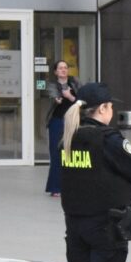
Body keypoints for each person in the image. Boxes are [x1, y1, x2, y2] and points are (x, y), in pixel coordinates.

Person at [60, 82, 131, 262]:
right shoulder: (108, 139)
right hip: (106, 228)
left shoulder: (68, 138)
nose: (112, 110)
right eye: (110, 106)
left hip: (75, 226)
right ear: (102, 108)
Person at [43, 60, 78, 196]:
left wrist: (70, 96)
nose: (63, 70)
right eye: (60, 68)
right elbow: (53, 96)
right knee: (57, 153)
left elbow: (81, 100)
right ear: (55, 72)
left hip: (73, 121)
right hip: (57, 122)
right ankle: (55, 188)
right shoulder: (52, 85)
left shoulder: (74, 82)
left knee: (72, 153)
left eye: (65, 67)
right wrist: (57, 99)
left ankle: (71, 186)